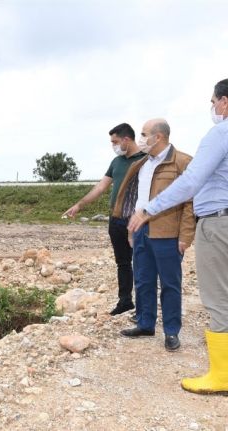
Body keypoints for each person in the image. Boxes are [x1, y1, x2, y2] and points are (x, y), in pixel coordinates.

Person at [128, 76, 228, 394]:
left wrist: (148, 210)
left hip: (220, 224)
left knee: (220, 299)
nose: (212, 107)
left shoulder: (221, 134)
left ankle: (222, 377)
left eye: (213, 101)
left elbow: (191, 182)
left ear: (224, 101)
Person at [115, 118, 195, 351]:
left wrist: (185, 236)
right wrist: (132, 227)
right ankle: (145, 323)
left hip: (168, 233)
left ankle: (171, 331)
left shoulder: (182, 162)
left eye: (144, 133)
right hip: (141, 231)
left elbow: (191, 201)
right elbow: (136, 198)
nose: (141, 138)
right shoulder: (141, 164)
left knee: (170, 283)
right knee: (143, 279)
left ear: (158, 137)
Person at [63, 123, 145, 315]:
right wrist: (79, 205)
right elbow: (101, 187)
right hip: (116, 220)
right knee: (123, 263)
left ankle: (144, 307)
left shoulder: (146, 160)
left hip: (138, 220)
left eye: (115, 142)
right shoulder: (116, 162)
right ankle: (125, 301)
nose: (113, 146)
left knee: (142, 263)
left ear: (126, 139)